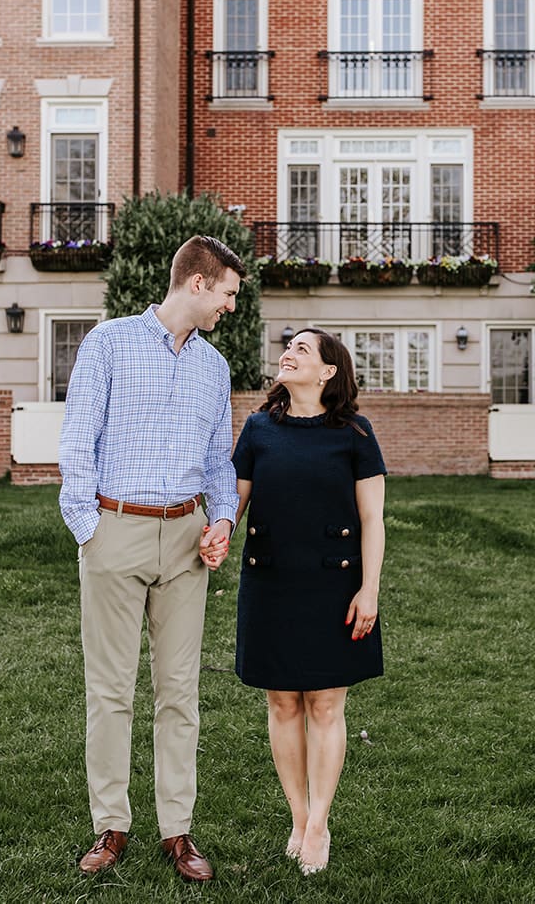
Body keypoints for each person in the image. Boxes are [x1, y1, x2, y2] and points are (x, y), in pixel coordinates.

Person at [57, 234, 246, 883]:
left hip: (188, 540)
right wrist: (89, 528)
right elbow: (78, 437)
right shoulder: (108, 343)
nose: (230, 306)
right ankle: (112, 823)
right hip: (116, 529)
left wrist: (221, 519)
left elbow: (220, 460)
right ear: (197, 283)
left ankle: (177, 829)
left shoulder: (214, 367)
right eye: (227, 293)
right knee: (110, 690)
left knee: (180, 691)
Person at [215, 327, 386, 877]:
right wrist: (219, 532)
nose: (288, 354)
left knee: (327, 706)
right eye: (287, 348)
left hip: (335, 585)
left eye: (302, 350)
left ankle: (320, 822)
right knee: (283, 704)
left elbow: (372, 520)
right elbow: (233, 502)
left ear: (328, 371)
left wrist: (370, 589)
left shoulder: (355, 433)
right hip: (269, 585)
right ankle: (297, 816)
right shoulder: (260, 428)